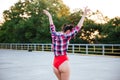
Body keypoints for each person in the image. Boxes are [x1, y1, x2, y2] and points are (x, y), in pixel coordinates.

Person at [43, 6, 90, 80]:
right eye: (71, 32)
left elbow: (51, 25)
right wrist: (84, 15)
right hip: (63, 62)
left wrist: (49, 15)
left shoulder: (54, 34)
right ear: (68, 31)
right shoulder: (66, 36)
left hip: (55, 64)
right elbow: (78, 27)